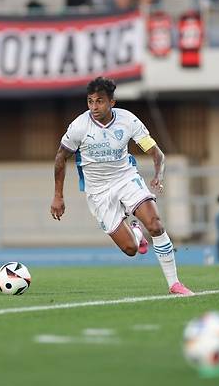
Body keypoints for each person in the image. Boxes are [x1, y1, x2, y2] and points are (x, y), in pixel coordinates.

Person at [50, 77, 193, 296]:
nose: (94, 107)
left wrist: (158, 175)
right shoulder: (79, 126)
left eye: (100, 101)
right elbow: (61, 158)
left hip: (126, 179)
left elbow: (156, 153)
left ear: (112, 102)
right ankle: (135, 232)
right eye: (90, 101)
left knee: (155, 225)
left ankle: (175, 284)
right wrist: (58, 196)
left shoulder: (128, 121)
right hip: (97, 191)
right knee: (130, 250)